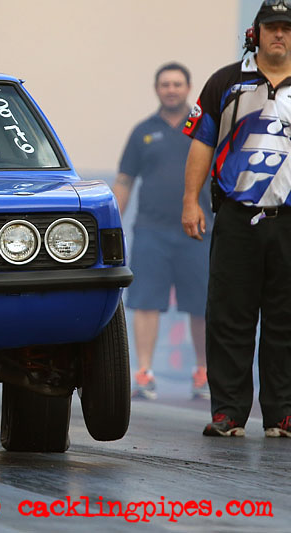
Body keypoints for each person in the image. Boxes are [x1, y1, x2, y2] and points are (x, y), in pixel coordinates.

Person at [182, 0, 291, 438]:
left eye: (287, 28)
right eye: (272, 27)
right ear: (256, 32)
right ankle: (228, 412)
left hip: (288, 220)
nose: (279, 34)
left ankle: (283, 413)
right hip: (236, 217)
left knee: (286, 319)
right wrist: (190, 201)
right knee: (229, 317)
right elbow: (202, 143)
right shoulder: (226, 82)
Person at [114, 62, 212, 401]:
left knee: (201, 305)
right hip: (151, 231)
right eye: (165, 84)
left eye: (177, 84)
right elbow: (124, 181)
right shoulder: (143, 131)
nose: (171, 89)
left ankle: (203, 373)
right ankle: (144, 373)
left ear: (188, 88)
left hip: (198, 231)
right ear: (157, 89)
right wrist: (109, 223)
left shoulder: (204, 129)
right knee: (145, 302)